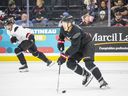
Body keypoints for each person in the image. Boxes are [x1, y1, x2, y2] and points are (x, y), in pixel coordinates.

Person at [57, 15, 108, 88]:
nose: (63, 25)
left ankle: (102, 81)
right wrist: (60, 43)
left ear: (70, 23)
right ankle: (86, 75)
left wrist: (64, 56)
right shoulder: (62, 28)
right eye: (63, 23)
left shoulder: (76, 30)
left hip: (87, 45)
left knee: (88, 63)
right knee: (70, 63)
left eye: (65, 23)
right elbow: (61, 37)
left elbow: (75, 47)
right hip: (78, 47)